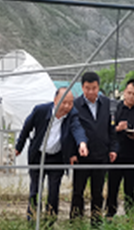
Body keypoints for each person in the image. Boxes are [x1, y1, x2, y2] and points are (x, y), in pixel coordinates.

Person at [15, 88, 89, 219]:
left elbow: (77, 129)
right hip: (38, 156)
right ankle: (32, 218)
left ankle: (50, 219)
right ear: (55, 100)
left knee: (54, 191)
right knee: (35, 189)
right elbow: (27, 127)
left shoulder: (72, 114)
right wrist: (19, 147)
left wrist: (82, 143)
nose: (67, 106)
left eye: (70, 103)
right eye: (64, 102)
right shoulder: (41, 111)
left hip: (57, 157)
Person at [71, 71, 117, 225]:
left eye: (94, 88)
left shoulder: (106, 104)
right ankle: (76, 222)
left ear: (99, 87)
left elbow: (111, 130)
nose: (91, 92)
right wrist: (73, 153)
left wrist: (113, 149)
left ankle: (96, 222)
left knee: (97, 192)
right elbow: (71, 131)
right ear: (82, 87)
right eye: (87, 88)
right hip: (82, 157)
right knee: (78, 191)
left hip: (101, 155)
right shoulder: (76, 105)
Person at [106, 78, 134, 218]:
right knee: (113, 186)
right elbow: (107, 131)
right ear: (124, 92)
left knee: (130, 188)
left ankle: (130, 214)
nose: (131, 96)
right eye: (129, 93)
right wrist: (118, 128)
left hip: (133, 155)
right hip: (116, 155)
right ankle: (110, 213)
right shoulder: (115, 109)